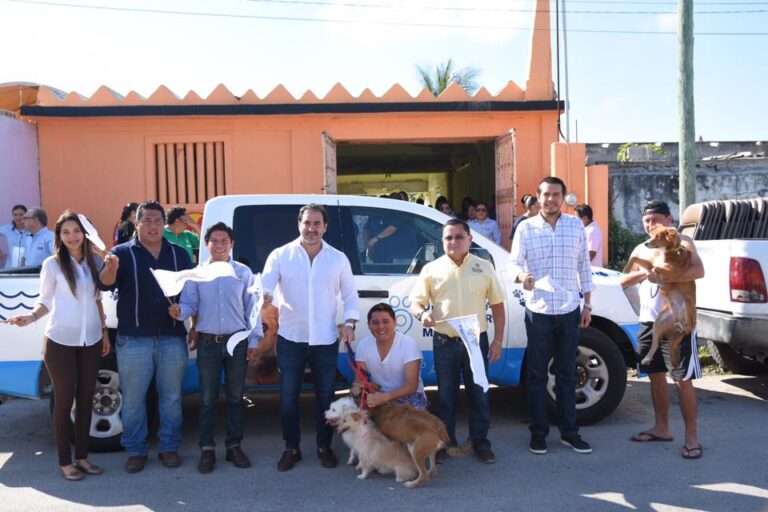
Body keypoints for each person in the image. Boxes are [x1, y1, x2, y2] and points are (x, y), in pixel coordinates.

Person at [6, 211, 111, 481]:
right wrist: (30, 317)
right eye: (66, 232)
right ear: (59, 237)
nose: (72, 236)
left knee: (87, 399)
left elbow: (98, 299)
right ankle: (65, 462)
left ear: (84, 234)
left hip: (91, 340)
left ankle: (83, 458)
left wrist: (104, 332)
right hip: (60, 342)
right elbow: (45, 302)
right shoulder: (52, 265)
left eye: (76, 231)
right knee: (65, 402)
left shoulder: (94, 261)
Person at [261, 203, 359, 472]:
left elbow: (350, 295)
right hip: (291, 336)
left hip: (325, 338)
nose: (311, 228)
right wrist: (265, 296)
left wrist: (350, 321)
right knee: (288, 395)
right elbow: (266, 284)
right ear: (299, 224)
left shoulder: (337, 258)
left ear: (325, 226)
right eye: (307, 223)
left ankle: (323, 447)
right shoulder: (281, 255)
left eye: (317, 223)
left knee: (325, 395)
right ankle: (291, 448)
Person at [98, 200, 194, 474]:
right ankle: (136, 450)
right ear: (136, 223)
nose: (152, 226)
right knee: (133, 399)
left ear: (164, 224)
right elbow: (104, 282)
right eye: (146, 220)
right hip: (134, 339)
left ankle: (169, 447)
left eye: (157, 221)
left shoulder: (179, 255)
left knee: (172, 397)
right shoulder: (121, 253)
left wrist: (184, 311)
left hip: (172, 338)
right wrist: (111, 267)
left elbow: (191, 294)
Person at [508, 177, 595, 456]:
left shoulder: (574, 226)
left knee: (567, 373)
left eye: (556, 195)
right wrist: (523, 276)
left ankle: (570, 433)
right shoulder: (526, 228)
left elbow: (584, 266)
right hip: (539, 311)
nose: (551, 199)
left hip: (570, 310)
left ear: (563, 197)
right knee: (536, 374)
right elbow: (513, 263)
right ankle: (539, 433)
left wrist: (588, 305)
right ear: (537, 197)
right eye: (546, 194)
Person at [410, 218, 506, 465]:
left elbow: (497, 306)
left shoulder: (483, 267)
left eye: (459, 237)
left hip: (476, 342)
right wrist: (423, 314)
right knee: (446, 398)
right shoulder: (432, 269)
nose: (453, 242)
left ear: (469, 239)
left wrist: (497, 342)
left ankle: (481, 444)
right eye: (448, 238)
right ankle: (444, 443)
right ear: (443, 241)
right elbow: (416, 302)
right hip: (445, 343)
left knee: (479, 395)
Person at [169, 222, 263, 474]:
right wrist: (180, 312)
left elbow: (252, 310)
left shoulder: (243, 273)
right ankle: (207, 449)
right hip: (208, 342)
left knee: (235, 397)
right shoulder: (196, 274)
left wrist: (254, 341)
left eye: (224, 241)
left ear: (231, 244)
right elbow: (189, 305)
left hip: (237, 342)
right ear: (206, 244)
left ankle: (234, 446)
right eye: (214, 241)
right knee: (208, 399)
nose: (219, 245)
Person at [621, 200, 704, 460]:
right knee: (655, 374)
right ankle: (661, 428)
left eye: (655, 219)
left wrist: (665, 276)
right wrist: (646, 274)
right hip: (649, 320)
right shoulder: (643, 247)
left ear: (669, 219)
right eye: (646, 221)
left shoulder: (682, 243)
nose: (650, 224)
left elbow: (699, 270)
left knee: (682, 379)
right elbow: (623, 280)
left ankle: (691, 438)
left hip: (678, 320)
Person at [355, 303, 427, 410]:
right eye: (375, 323)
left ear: (395, 322)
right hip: (378, 395)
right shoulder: (363, 345)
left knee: (405, 424)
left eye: (385, 321)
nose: (380, 326)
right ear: (369, 325)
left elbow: (412, 386)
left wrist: (385, 397)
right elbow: (360, 382)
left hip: (408, 395)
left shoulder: (408, 344)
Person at [0, 204, 28, 269]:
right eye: (15, 214)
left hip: (27, 268)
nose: (18, 217)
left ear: (26, 215)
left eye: (21, 214)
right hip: (10, 267)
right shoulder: (7, 229)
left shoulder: (32, 230)